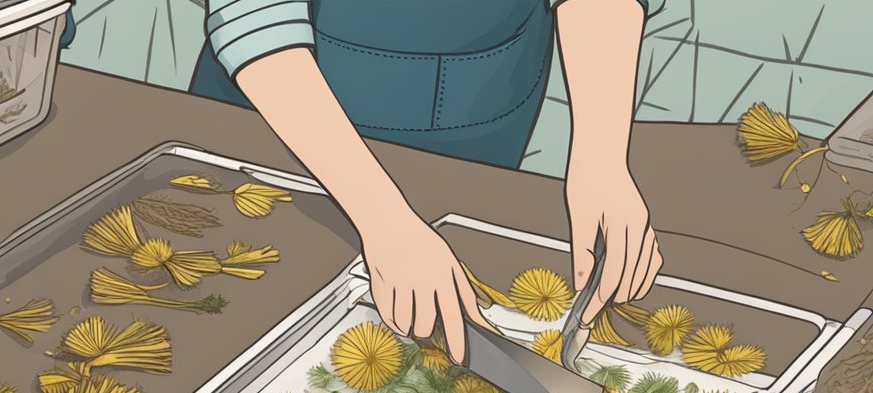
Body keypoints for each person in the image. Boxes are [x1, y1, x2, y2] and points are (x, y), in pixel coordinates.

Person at [191, 0, 663, 364]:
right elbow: (255, 17)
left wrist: (602, 158)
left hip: (477, 118)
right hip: (282, 124)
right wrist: (385, 220)